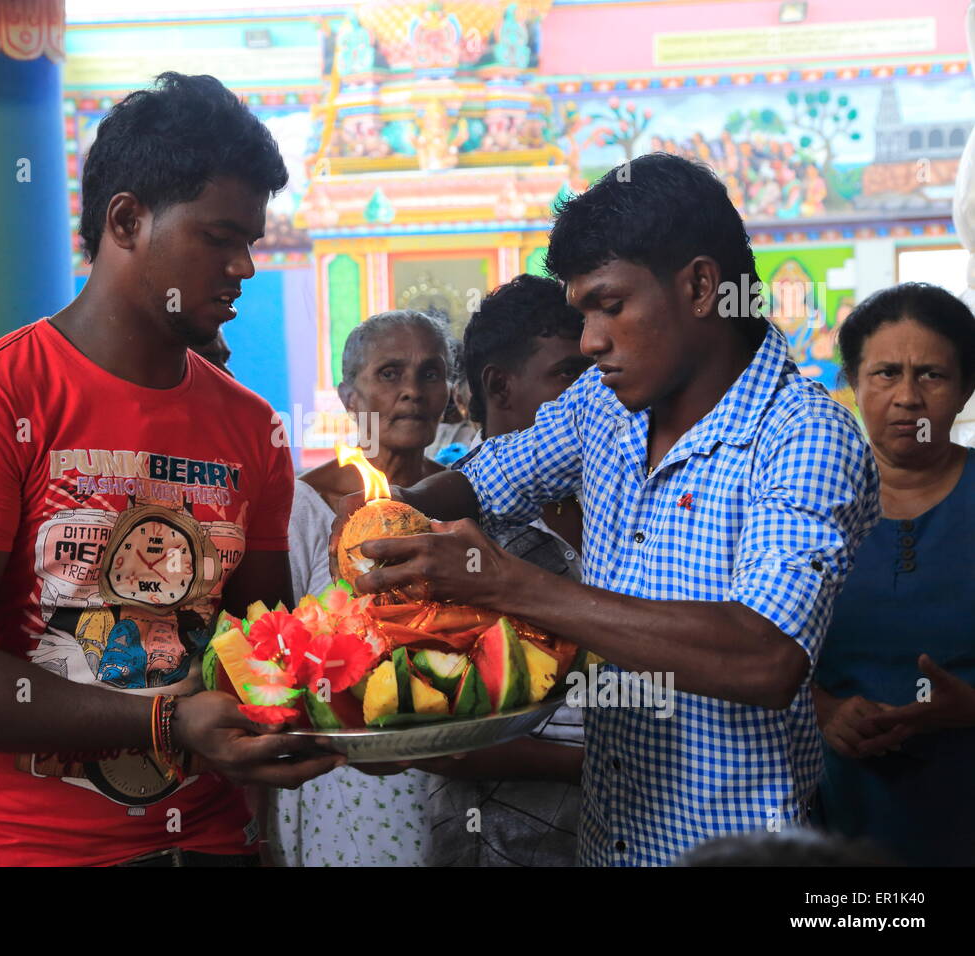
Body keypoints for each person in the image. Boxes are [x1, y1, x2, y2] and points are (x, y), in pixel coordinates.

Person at [331, 153, 879, 867]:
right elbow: (485, 479)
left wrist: (508, 583)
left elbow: (764, 656)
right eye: (583, 314)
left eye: (610, 306)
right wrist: (390, 511)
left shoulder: (804, 435)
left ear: (701, 286)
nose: (590, 341)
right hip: (606, 844)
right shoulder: (606, 406)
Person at [0, 73, 341, 867]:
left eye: (251, 244)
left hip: (209, 847)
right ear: (126, 220)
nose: (246, 269)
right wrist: (164, 723)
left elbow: (262, 652)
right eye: (219, 238)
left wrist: (379, 713)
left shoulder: (251, 428)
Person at [424, 274, 591, 867]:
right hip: (497, 843)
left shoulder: (624, 505)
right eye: (570, 375)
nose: (595, 395)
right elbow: (434, 736)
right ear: (499, 384)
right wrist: (608, 769)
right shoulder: (439, 535)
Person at [275, 309, 451, 866]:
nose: (412, 393)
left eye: (431, 374)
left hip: (457, 771)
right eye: (390, 373)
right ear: (349, 396)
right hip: (345, 781)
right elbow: (271, 660)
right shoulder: (303, 506)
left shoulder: (461, 500)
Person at [812, 283, 975, 866]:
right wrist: (823, 709)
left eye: (931, 374)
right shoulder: (806, 504)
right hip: (838, 823)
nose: (908, 397)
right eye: (885, 374)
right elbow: (746, 642)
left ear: (964, 390)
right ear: (853, 387)